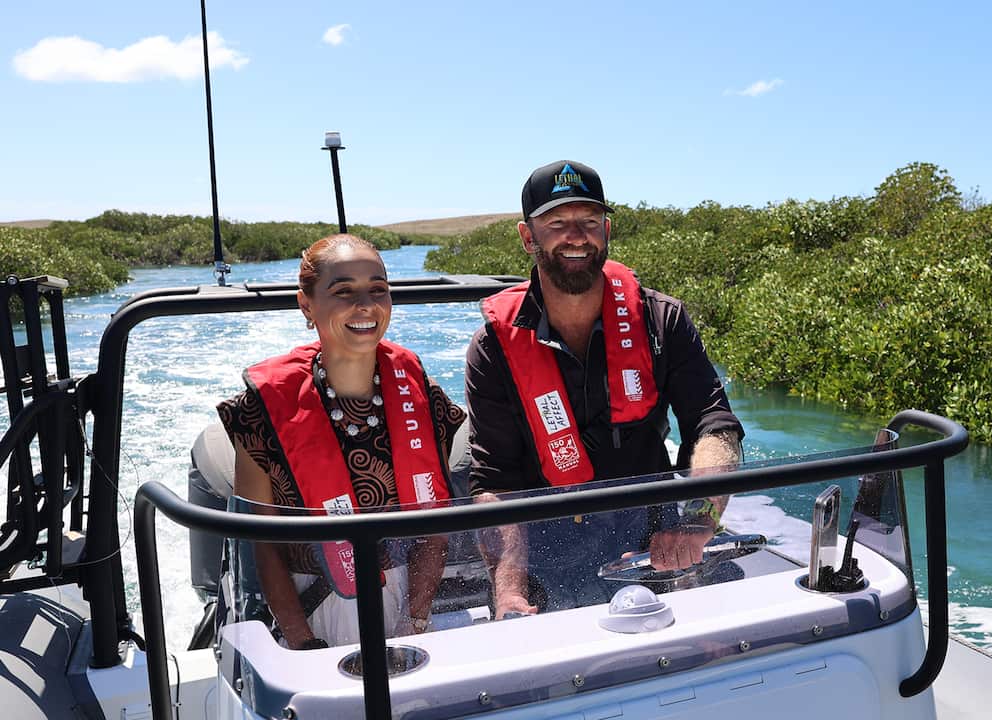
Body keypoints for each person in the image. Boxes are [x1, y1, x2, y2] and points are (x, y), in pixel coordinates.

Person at [465, 160, 744, 617]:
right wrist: (510, 588)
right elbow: (496, 480)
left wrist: (700, 521)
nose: (576, 236)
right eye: (557, 223)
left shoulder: (663, 320)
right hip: (543, 552)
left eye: (589, 221)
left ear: (607, 230)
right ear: (528, 237)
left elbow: (713, 425)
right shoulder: (492, 348)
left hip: (653, 540)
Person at [217, 234, 465, 649]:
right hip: (310, 614)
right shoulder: (259, 413)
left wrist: (415, 621)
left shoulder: (423, 395)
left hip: (412, 604)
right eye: (344, 291)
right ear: (306, 305)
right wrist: (303, 642)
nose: (365, 305)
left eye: (378, 289)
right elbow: (265, 545)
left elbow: (434, 524)